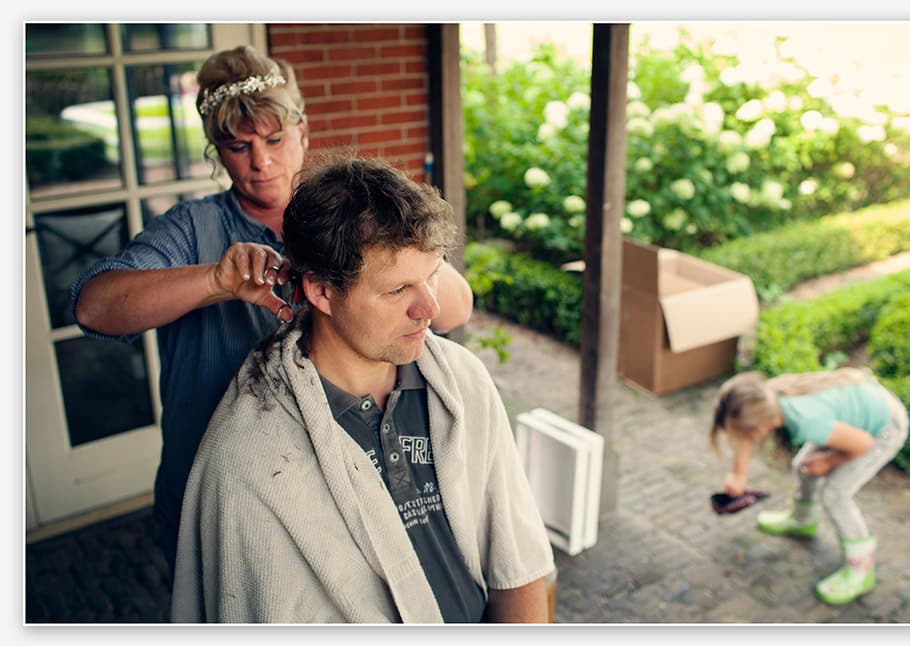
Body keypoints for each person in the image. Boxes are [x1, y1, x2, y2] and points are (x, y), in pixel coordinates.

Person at [69, 46, 474, 578]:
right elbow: (94, 308)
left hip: (338, 485)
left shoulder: (354, 218)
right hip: (220, 487)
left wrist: (388, 254)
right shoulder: (193, 229)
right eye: (239, 146)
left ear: (303, 132)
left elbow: (455, 309)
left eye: (275, 139)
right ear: (216, 150)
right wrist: (216, 280)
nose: (260, 162)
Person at [169, 157, 555, 623]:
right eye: (397, 291)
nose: (429, 308)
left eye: (432, 275)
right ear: (322, 292)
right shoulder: (244, 462)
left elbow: (520, 566)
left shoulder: (463, 379)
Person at [709, 368, 909, 605]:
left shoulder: (806, 421)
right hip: (857, 417)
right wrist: (738, 474)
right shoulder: (762, 398)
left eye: (743, 433)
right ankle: (804, 521)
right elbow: (745, 435)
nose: (741, 439)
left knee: (836, 494)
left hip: (884, 429)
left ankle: (862, 569)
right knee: (802, 466)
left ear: (761, 427)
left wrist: (828, 461)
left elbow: (862, 444)